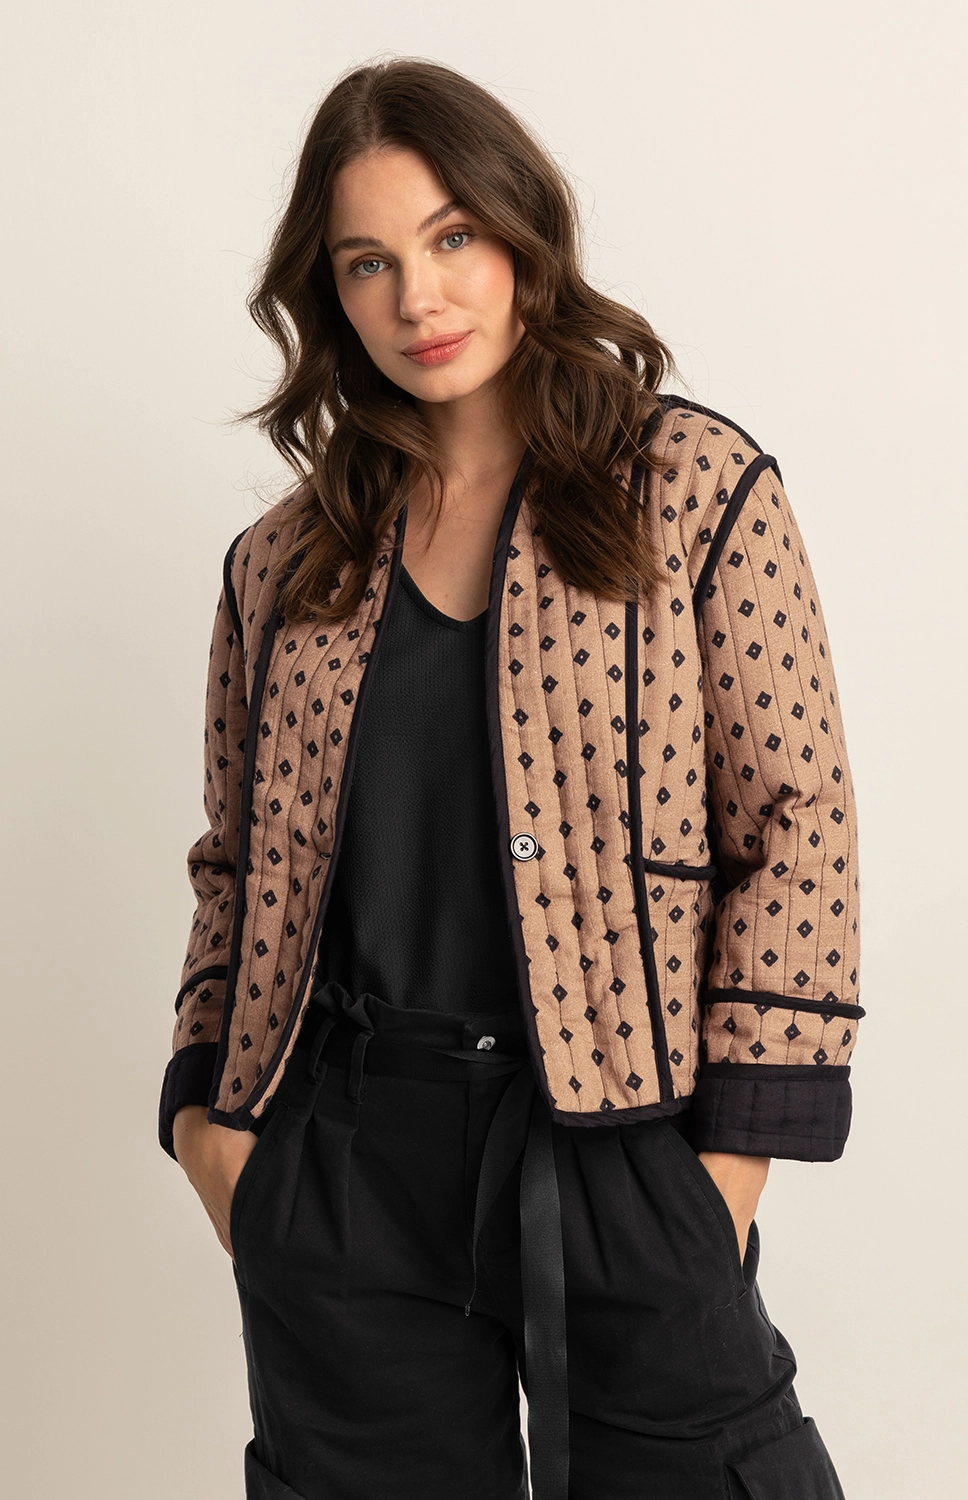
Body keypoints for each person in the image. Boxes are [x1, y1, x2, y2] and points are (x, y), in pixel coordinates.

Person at [159, 57, 861, 1500]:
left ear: (523, 232)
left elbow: (799, 828)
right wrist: (208, 1127)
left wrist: (721, 1177)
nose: (418, 296)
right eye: (369, 262)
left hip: (622, 1138)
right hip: (348, 1158)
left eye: (453, 237)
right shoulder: (281, 565)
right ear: (329, 295)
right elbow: (235, 865)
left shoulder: (694, 490)